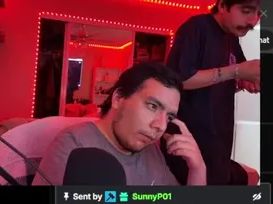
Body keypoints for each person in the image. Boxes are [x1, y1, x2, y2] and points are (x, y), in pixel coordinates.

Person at [34, 63, 205, 186]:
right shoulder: (74, 145)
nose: (160, 126)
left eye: (169, 117)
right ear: (118, 99)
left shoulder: (151, 151)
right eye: (152, 106)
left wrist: (197, 168)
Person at [165, 0, 262, 185]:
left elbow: (232, 78)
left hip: (220, 141)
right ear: (223, 6)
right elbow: (179, 80)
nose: (253, 21)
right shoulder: (197, 27)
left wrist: (246, 82)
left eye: (259, 14)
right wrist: (237, 71)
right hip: (189, 141)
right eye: (246, 11)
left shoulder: (232, 38)